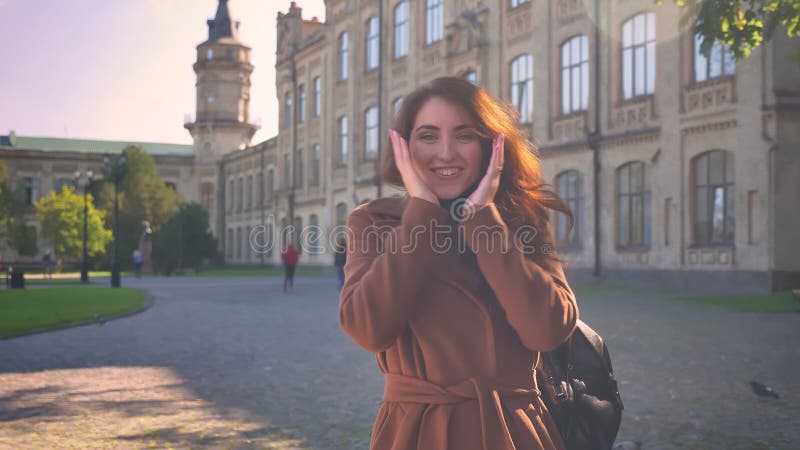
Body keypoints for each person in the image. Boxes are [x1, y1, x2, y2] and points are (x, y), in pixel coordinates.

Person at [338, 77, 579, 450]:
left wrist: (482, 218)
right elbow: (369, 328)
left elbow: (547, 330)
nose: (446, 153)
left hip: (515, 433)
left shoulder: (523, 220)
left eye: (464, 135)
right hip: (418, 433)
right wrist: (421, 214)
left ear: (489, 145)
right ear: (404, 146)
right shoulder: (374, 222)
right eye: (428, 136)